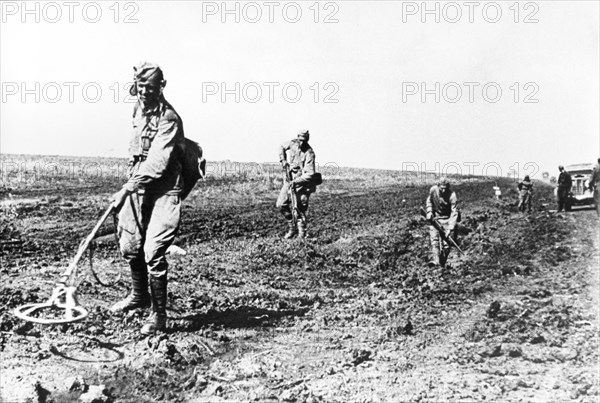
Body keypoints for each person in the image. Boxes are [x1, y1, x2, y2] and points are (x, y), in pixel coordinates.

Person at [110, 62, 185, 335]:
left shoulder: (169, 118)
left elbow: (156, 164)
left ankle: (158, 315)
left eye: (150, 87)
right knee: (130, 244)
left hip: (164, 189)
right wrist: (130, 188)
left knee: (153, 251)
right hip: (138, 186)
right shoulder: (137, 107)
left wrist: (126, 188)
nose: (143, 92)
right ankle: (139, 296)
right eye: (140, 86)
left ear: (161, 87)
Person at [276, 130, 316, 239]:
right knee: (281, 204)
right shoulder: (292, 143)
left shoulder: (309, 153)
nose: (301, 143)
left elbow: (310, 174)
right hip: (289, 180)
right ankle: (292, 228)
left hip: (302, 183)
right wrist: (283, 160)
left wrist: (296, 182)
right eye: (300, 140)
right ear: (297, 138)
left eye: (304, 141)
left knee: (299, 207)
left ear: (307, 140)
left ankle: (302, 235)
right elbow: (281, 147)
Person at [425, 177, 460, 268]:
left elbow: (454, 212)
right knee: (434, 241)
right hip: (436, 219)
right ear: (438, 186)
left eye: (445, 188)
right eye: (441, 188)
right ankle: (436, 262)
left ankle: (442, 262)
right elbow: (429, 200)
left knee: (447, 245)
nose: (443, 190)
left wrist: (450, 228)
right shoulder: (433, 190)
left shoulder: (452, 195)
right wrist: (429, 211)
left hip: (447, 220)